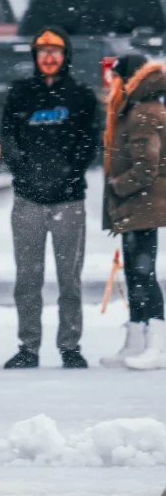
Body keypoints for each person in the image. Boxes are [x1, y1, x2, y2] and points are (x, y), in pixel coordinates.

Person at [0, 25, 100, 369]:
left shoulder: (82, 96)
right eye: (43, 52)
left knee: (69, 278)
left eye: (55, 52)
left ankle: (70, 345)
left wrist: (69, 173)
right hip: (28, 200)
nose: (50, 58)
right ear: (35, 57)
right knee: (28, 278)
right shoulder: (20, 94)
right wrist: (25, 172)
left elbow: (90, 143)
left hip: (69, 200)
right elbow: (8, 141)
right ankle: (28, 346)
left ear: (65, 56)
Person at [101, 54, 166, 369]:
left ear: (127, 80)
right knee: (135, 272)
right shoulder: (134, 109)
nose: (110, 84)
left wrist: (117, 186)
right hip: (136, 205)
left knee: (143, 273)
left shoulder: (142, 113)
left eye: (115, 77)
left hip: (143, 203)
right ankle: (137, 340)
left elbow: (146, 167)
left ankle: (158, 345)